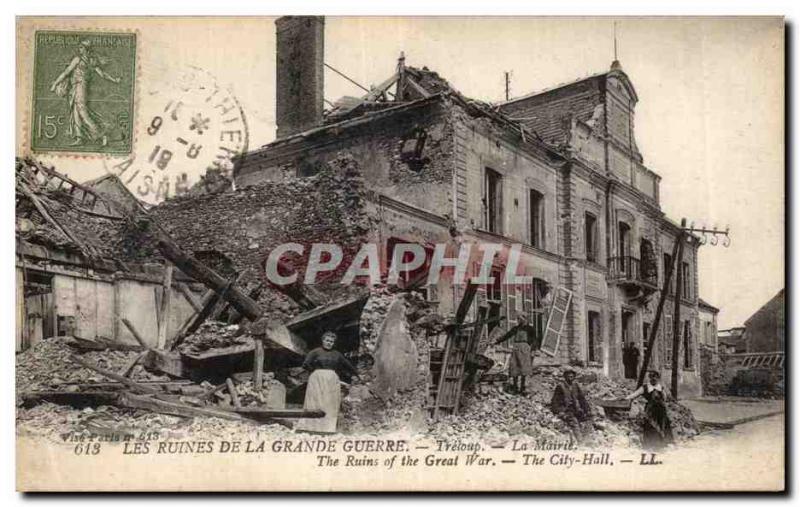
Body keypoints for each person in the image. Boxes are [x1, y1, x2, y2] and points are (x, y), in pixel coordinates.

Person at [50, 39, 122, 147]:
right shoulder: (91, 61)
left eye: (81, 47)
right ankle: (80, 138)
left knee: (82, 112)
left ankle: (101, 134)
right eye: (79, 47)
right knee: (75, 113)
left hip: (80, 86)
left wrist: (55, 84)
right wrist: (114, 80)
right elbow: (102, 74)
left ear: (85, 49)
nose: (79, 49)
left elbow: (66, 72)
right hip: (76, 87)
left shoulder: (78, 59)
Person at [295, 331, 359, 434]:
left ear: (334, 343)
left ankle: (327, 428)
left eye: (331, 341)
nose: (329, 343)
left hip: (332, 379)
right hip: (317, 379)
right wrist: (316, 372)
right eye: (327, 340)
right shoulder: (315, 352)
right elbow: (306, 364)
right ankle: (310, 426)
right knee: (315, 401)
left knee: (330, 401)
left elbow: (348, 365)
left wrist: (357, 374)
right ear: (323, 340)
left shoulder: (337, 354)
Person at [625, 370, 674, 450]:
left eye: (655, 377)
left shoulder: (661, 387)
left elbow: (665, 398)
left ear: (658, 378)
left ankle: (663, 444)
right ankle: (650, 445)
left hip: (661, 410)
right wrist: (626, 398)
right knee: (650, 426)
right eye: (651, 377)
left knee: (663, 425)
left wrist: (664, 396)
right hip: (651, 410)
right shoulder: (645, 387)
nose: (653, 379)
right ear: (649, 378)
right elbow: (635, 394)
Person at [495, 315, 536, 395]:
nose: (519, 320)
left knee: (524, 368)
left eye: (520, 319)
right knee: (514, 367)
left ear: (525, 319)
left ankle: (522, 387)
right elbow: (508, 335)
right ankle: (515, 387)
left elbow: (534, 340)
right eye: (518, 319)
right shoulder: (516, 328)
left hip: (525, 348)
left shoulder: (530, 329)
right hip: (516, 348)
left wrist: (533, 350)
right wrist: (498, 341)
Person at [550, 368, 592, 442]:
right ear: (565, 377)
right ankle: (580, 442)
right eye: (568, 377)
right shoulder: (560, 387)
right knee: (574, 422)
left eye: (572, 377)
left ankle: (587, 439)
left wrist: (587, 410)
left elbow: (582, 399)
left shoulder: (575, 386)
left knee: (589, 419)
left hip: (575, 409)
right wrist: (560, 411)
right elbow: (554, 402)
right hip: (566, 410)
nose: (570, 378)